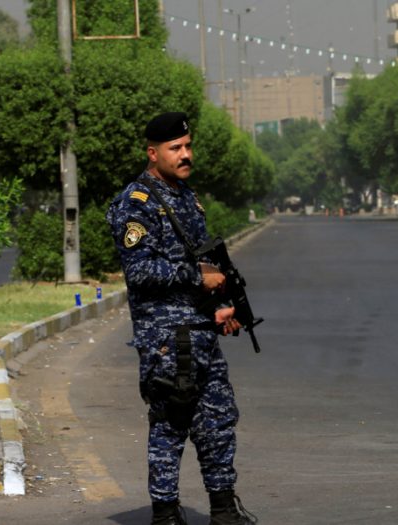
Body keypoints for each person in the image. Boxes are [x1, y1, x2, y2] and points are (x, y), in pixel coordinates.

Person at [106, 112, 257, 525]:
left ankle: (223, 508)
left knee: (218, 419)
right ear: (153, 153)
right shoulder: (136, 203)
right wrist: (198, 278)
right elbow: (140, 271)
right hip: (166, 337)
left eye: (188, 146)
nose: (185, 154)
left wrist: (219, 306)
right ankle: (165, 513)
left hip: (200, 330)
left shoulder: (186, 196)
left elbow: (200, 260)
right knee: (171, 423)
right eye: (175, 148)